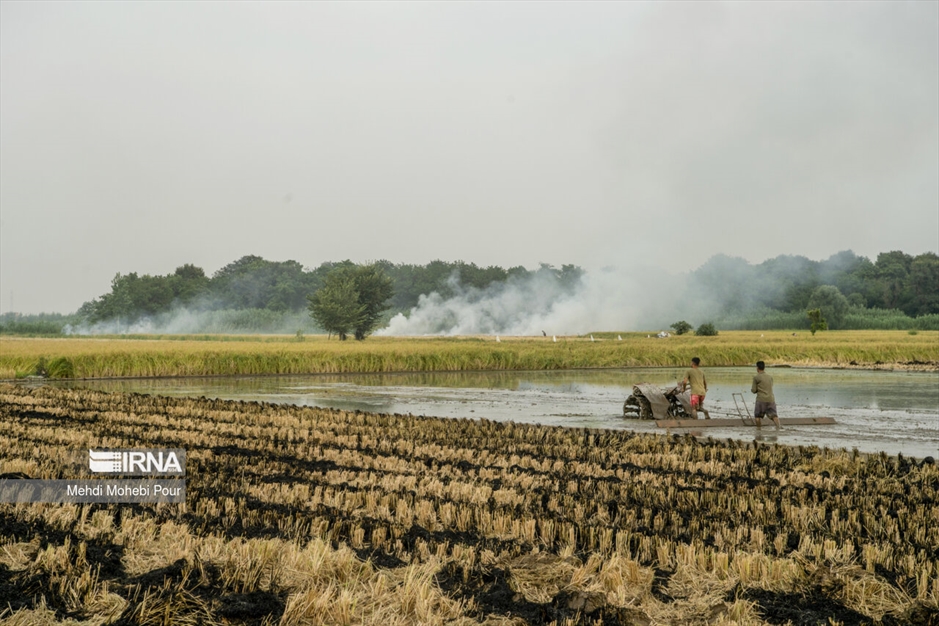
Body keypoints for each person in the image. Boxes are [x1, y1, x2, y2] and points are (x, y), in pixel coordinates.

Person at [751, 361, 780, 429]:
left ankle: (759, 430)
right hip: (770, 399)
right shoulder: (770, 377)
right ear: (764, 368)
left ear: (757, 368)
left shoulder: (756, 377)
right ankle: (778, 428)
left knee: (757, 416)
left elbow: (754, 390)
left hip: (761, 400)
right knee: (774, 416)